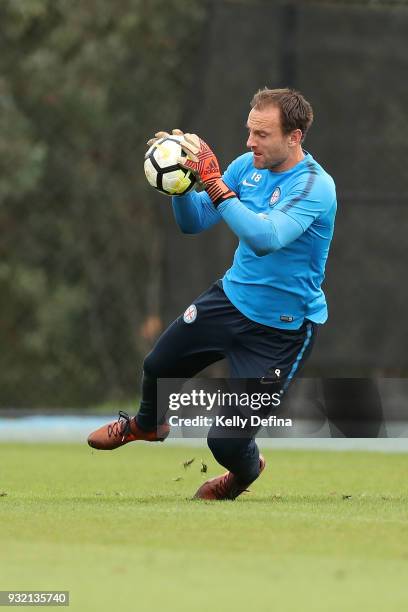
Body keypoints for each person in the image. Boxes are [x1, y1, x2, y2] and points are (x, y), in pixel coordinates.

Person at [88, 87, 337, 500]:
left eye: (262, 134)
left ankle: (244, 474)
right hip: (230, 299)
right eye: (249, 131)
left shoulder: (315, 186)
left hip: (281, 331)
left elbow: (266, 237)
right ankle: (148, 424)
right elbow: (194, 222)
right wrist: (182, 183)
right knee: (158, 364)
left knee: (224, 443)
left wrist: (215, 182)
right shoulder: (246, 166)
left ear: (294, 137)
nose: (250, 142)